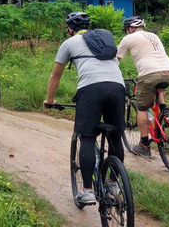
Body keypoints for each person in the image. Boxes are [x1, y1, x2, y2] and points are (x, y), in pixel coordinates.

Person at [44, 12, 125, 207]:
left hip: (91, 89)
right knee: (115, 136)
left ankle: (87, 190)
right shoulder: (105, 38)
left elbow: (55, 75)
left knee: (87, 137)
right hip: (118, 87)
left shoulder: (69, 43)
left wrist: (50, 100)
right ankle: (114, 184)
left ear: (70, 29)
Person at [116, 16, 169, 158]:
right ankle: (166, 114)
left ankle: (144, 145)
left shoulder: (128, 39)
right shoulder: (153, 35)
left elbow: (115, 60)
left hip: (149, 73)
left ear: (130, 29)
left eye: (126, 30)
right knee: (157, 87)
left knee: (142, 108)